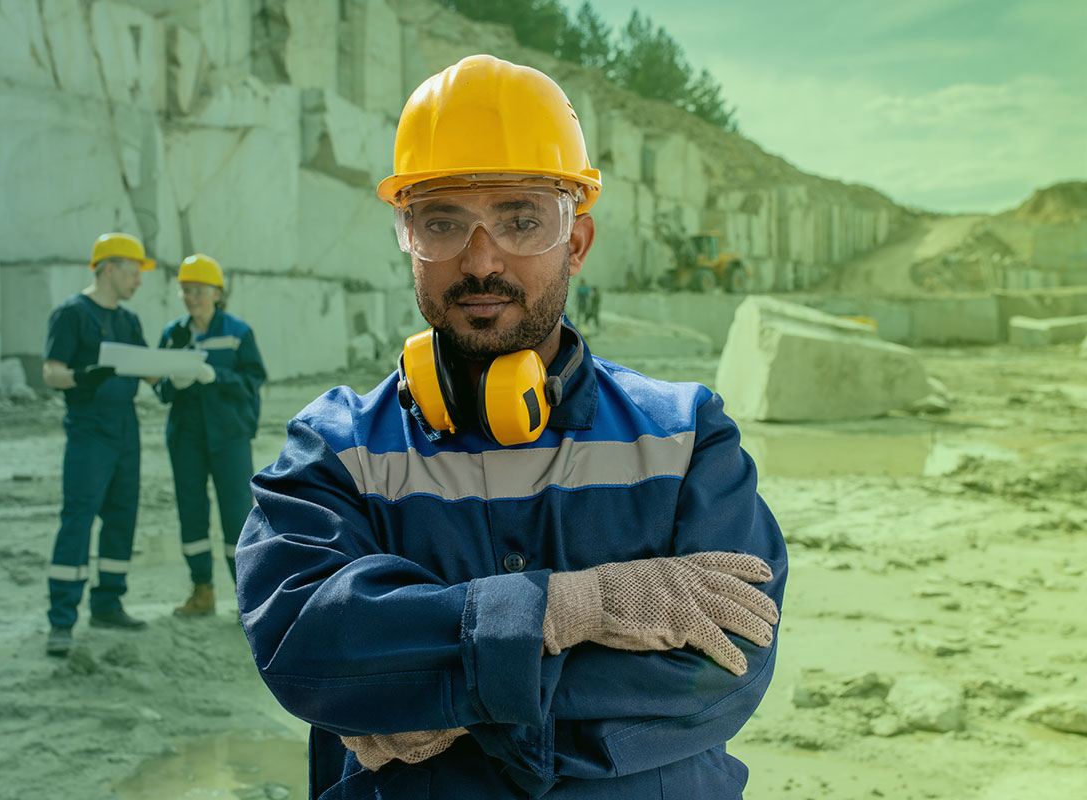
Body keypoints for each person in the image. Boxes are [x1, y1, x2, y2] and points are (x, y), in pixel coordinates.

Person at [236, 55, 786, 799]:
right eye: (442, 222)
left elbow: (726, 666)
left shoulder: (687, 437)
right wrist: (569, 610)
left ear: (577, 243)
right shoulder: (334, 450)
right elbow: (308, 647)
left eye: (523, 220)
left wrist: (437, 689)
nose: (481, 259)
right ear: (408, 241)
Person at [42, 232, 158, 656]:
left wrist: (180, 359)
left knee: (122, 516)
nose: (138, 281)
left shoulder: (128, 322)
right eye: (133, 271)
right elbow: (51, 372)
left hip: (125, 428)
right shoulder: (72, 314)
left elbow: (151, 372)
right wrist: (80, 376)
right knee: (78, 517)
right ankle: (62, 619)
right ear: (108, 268)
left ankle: (108, 603)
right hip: (90, 428)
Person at [156, 254, 266, 617]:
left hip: (229, 436)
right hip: (186, 437)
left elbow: (253, 380)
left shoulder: (237, 333)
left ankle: (245, 598)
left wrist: (215, 377)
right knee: (191, 511)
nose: (192, 298)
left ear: (217, 293)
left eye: (199, 291)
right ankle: (201, 590)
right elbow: (161, 392)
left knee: (236, 514)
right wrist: (174, 382)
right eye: (186, 291)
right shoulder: (174, 334)